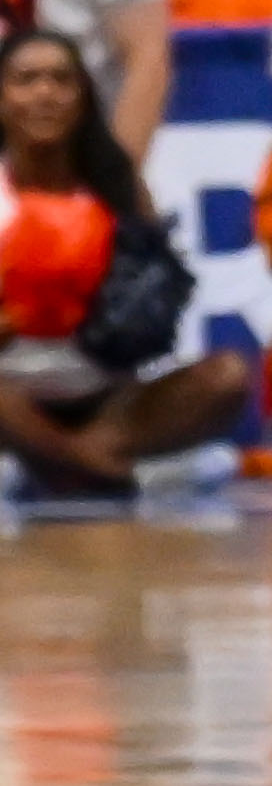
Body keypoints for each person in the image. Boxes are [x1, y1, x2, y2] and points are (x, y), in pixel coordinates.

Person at [0, 26, 235, 494]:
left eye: (61, 80)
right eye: (26, 80)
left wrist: (127, 315)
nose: (45, 93)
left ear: (84, 98)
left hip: (104, 397)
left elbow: (162, 309)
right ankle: (92, 465)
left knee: (227, 377)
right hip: (10, 399)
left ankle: (72, 460)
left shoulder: (118, 187)